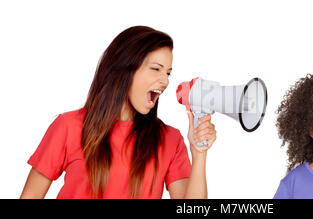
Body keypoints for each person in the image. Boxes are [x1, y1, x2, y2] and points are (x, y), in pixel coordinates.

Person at [20, 26, 216, 199]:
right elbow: (30, 196)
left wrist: (199, 154)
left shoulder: (169, 139)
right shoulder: (68, 126)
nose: (165, 81)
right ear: (124, 69)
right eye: (156, 69)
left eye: (168, 73)